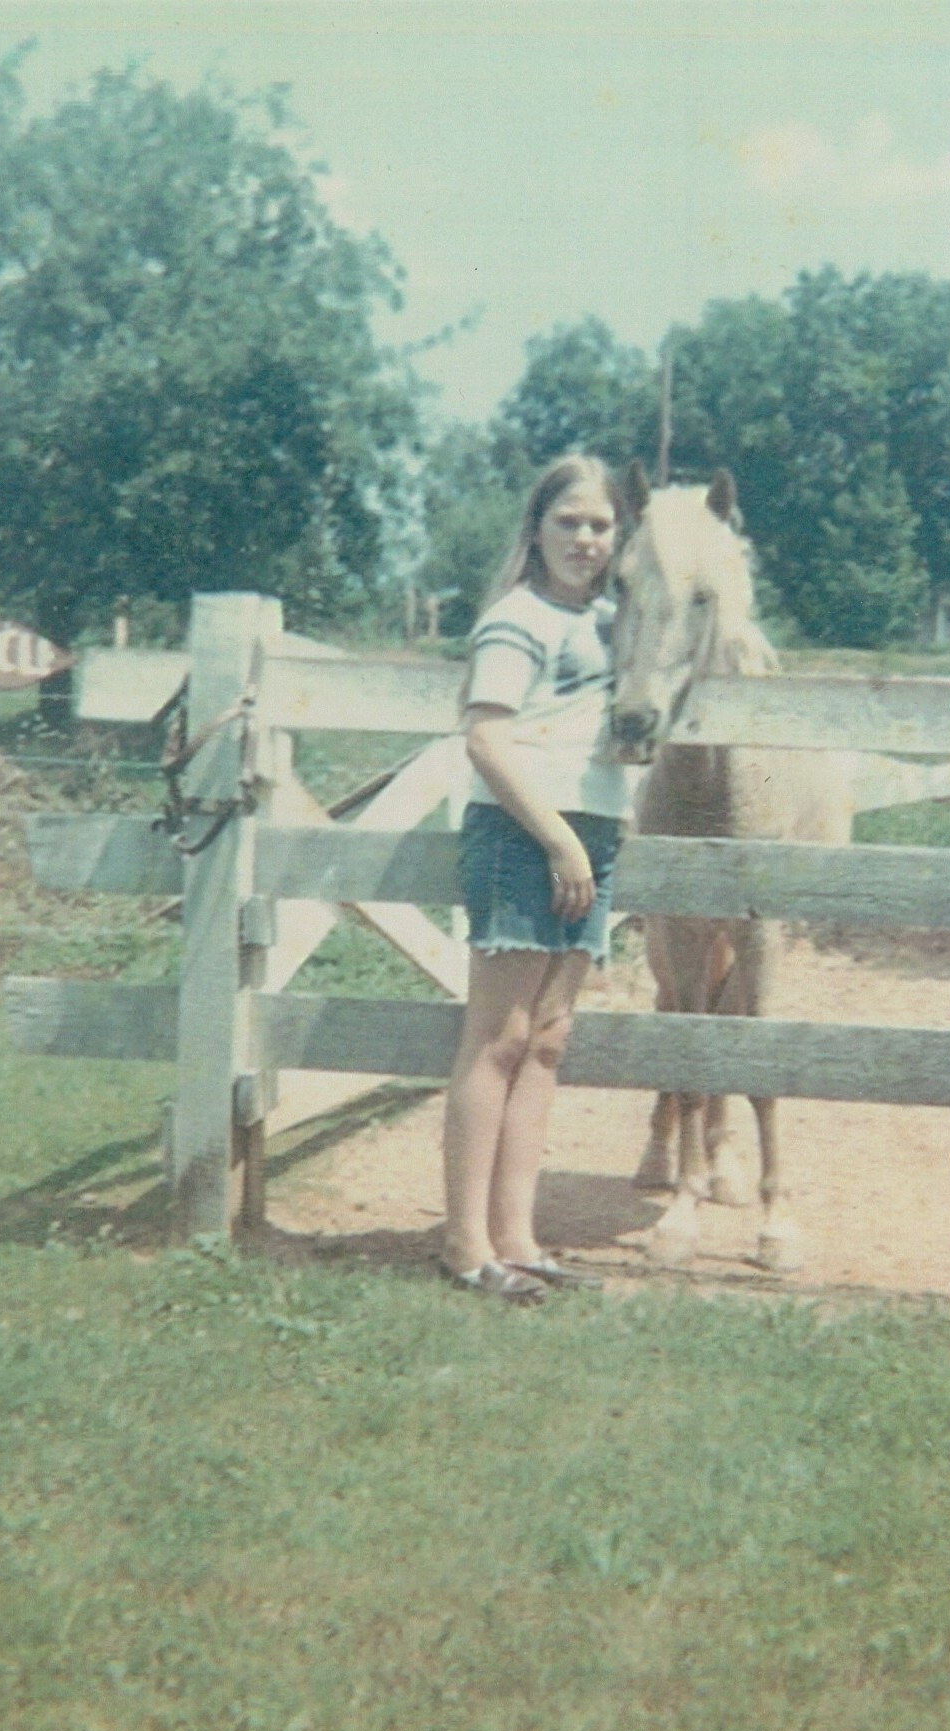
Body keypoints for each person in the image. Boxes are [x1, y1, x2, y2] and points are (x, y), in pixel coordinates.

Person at [441, 455, 631, 1300]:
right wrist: (557, 842)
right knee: (499, 1037)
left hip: (592, 832)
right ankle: (464, 1243)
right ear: (536, 528)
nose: (585, 540)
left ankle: (518, 1237)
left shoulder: (618, 623)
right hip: (525, 833)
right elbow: (484, 736)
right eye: (569, 522)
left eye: (600, 525)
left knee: (548, 1042)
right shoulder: (516, 618)